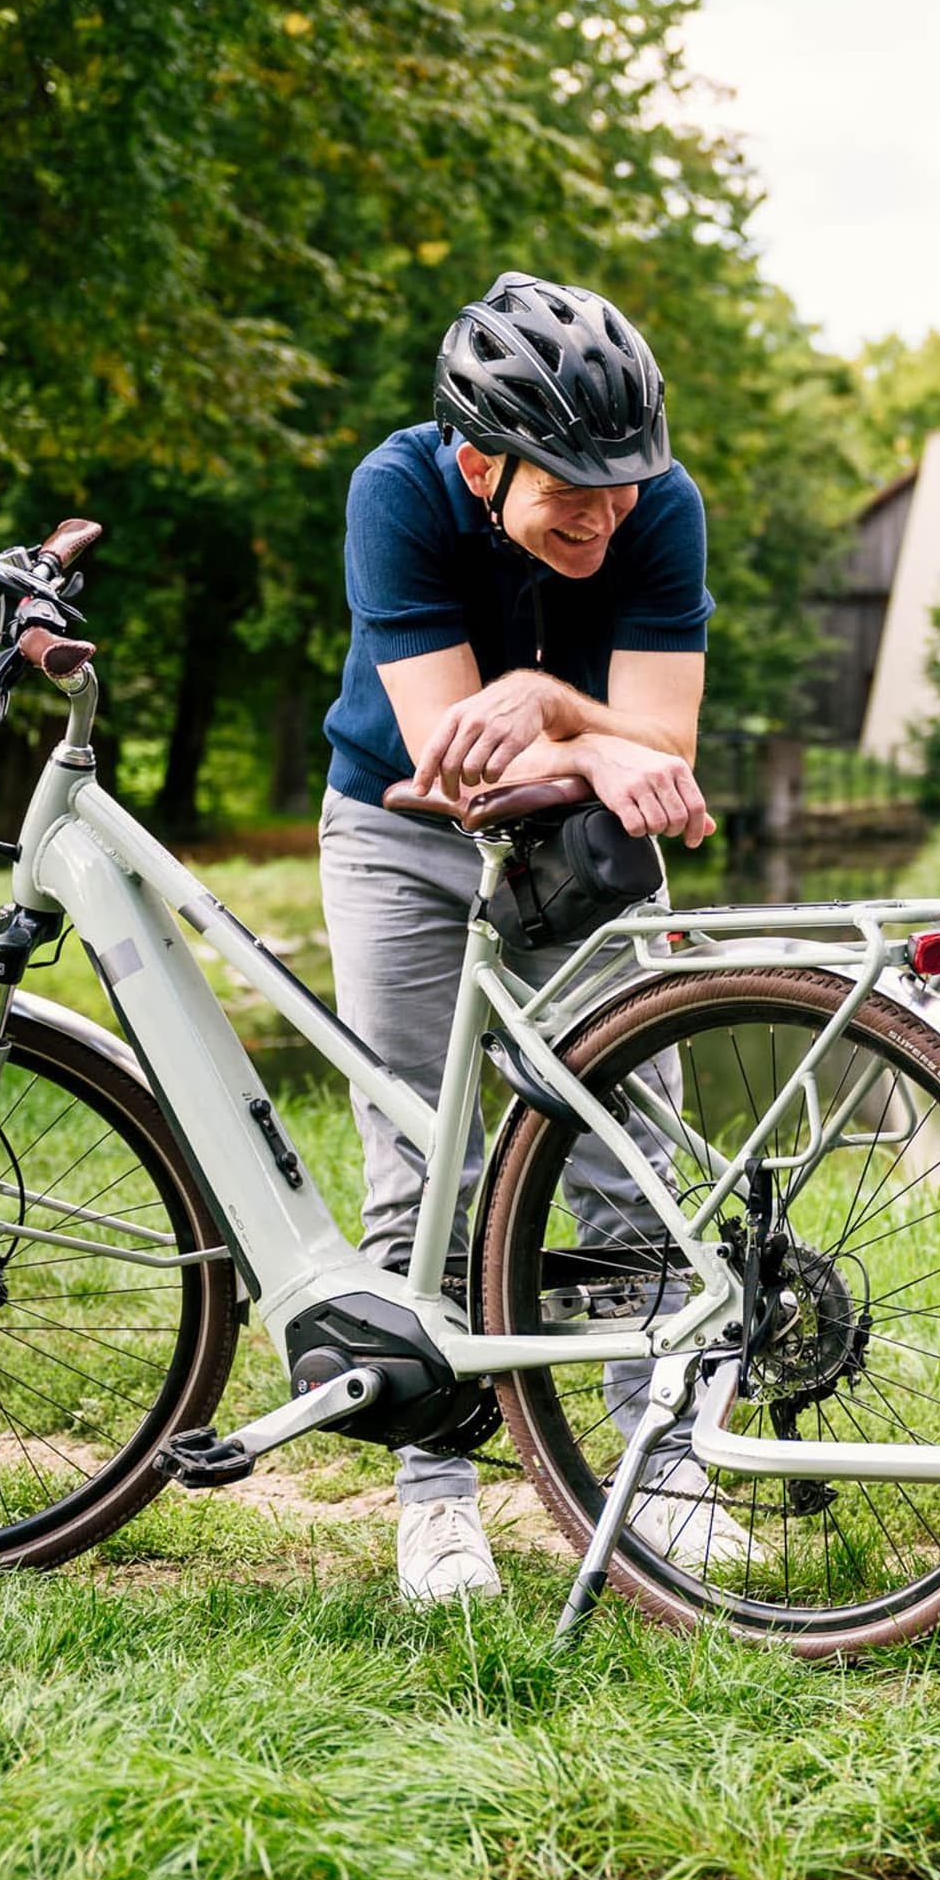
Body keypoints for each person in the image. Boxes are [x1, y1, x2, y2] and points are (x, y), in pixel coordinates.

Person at [315, 271, 739, 1605]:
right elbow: (457, 765)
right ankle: (436, 1500)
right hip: (399, 841)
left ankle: (659, 1460)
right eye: (570, 483)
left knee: (633, 1146)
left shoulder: (661, 509)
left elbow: (661, 748)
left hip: (593, 852)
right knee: (419, 1158)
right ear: (479, 460)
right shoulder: (398, 492)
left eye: (625, 478)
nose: (607, 512)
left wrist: (552, 702)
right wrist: (594, 738)